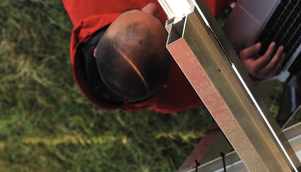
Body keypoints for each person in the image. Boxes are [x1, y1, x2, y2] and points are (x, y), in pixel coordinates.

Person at [65, 0, 285, 113]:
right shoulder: (179, 93)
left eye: (130, 15)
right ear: (171, 71)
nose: (151, 6)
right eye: (164, 26)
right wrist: (244, 70)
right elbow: (225, 74)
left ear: (97, 49)